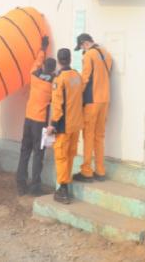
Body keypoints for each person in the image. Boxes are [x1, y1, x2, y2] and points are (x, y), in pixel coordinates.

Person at [15, 36, 55, 196]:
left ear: (44, 66)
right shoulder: (53, 82)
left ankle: (21, 185)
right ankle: (35, 187)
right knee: (38, 154)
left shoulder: (34, 74)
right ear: (53, 69)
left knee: (25, 151)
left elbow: (37, 62)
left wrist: (43, 48)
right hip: (40, 123)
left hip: (28, 119)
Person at [72, 34, 112, 183]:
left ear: (85, 43)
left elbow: (85, 78)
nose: (82, 49)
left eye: (82, 46)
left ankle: (86, 171)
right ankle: (100, 171)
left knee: (88, 135)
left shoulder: (89, 55)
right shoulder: (105, 53)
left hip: (92, 99)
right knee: (99, 136)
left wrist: (77, 95)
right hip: (105, 99)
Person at [46, 49, 83, 204]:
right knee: (70, 155)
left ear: (58, 60)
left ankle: (63, 190)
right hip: (76, 124)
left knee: (61, 157)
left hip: (64, 125)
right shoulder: (77, 76)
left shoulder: (59, 79)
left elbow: (57, 105)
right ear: (70, 59)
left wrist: (52, 125)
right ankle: (66, 183)